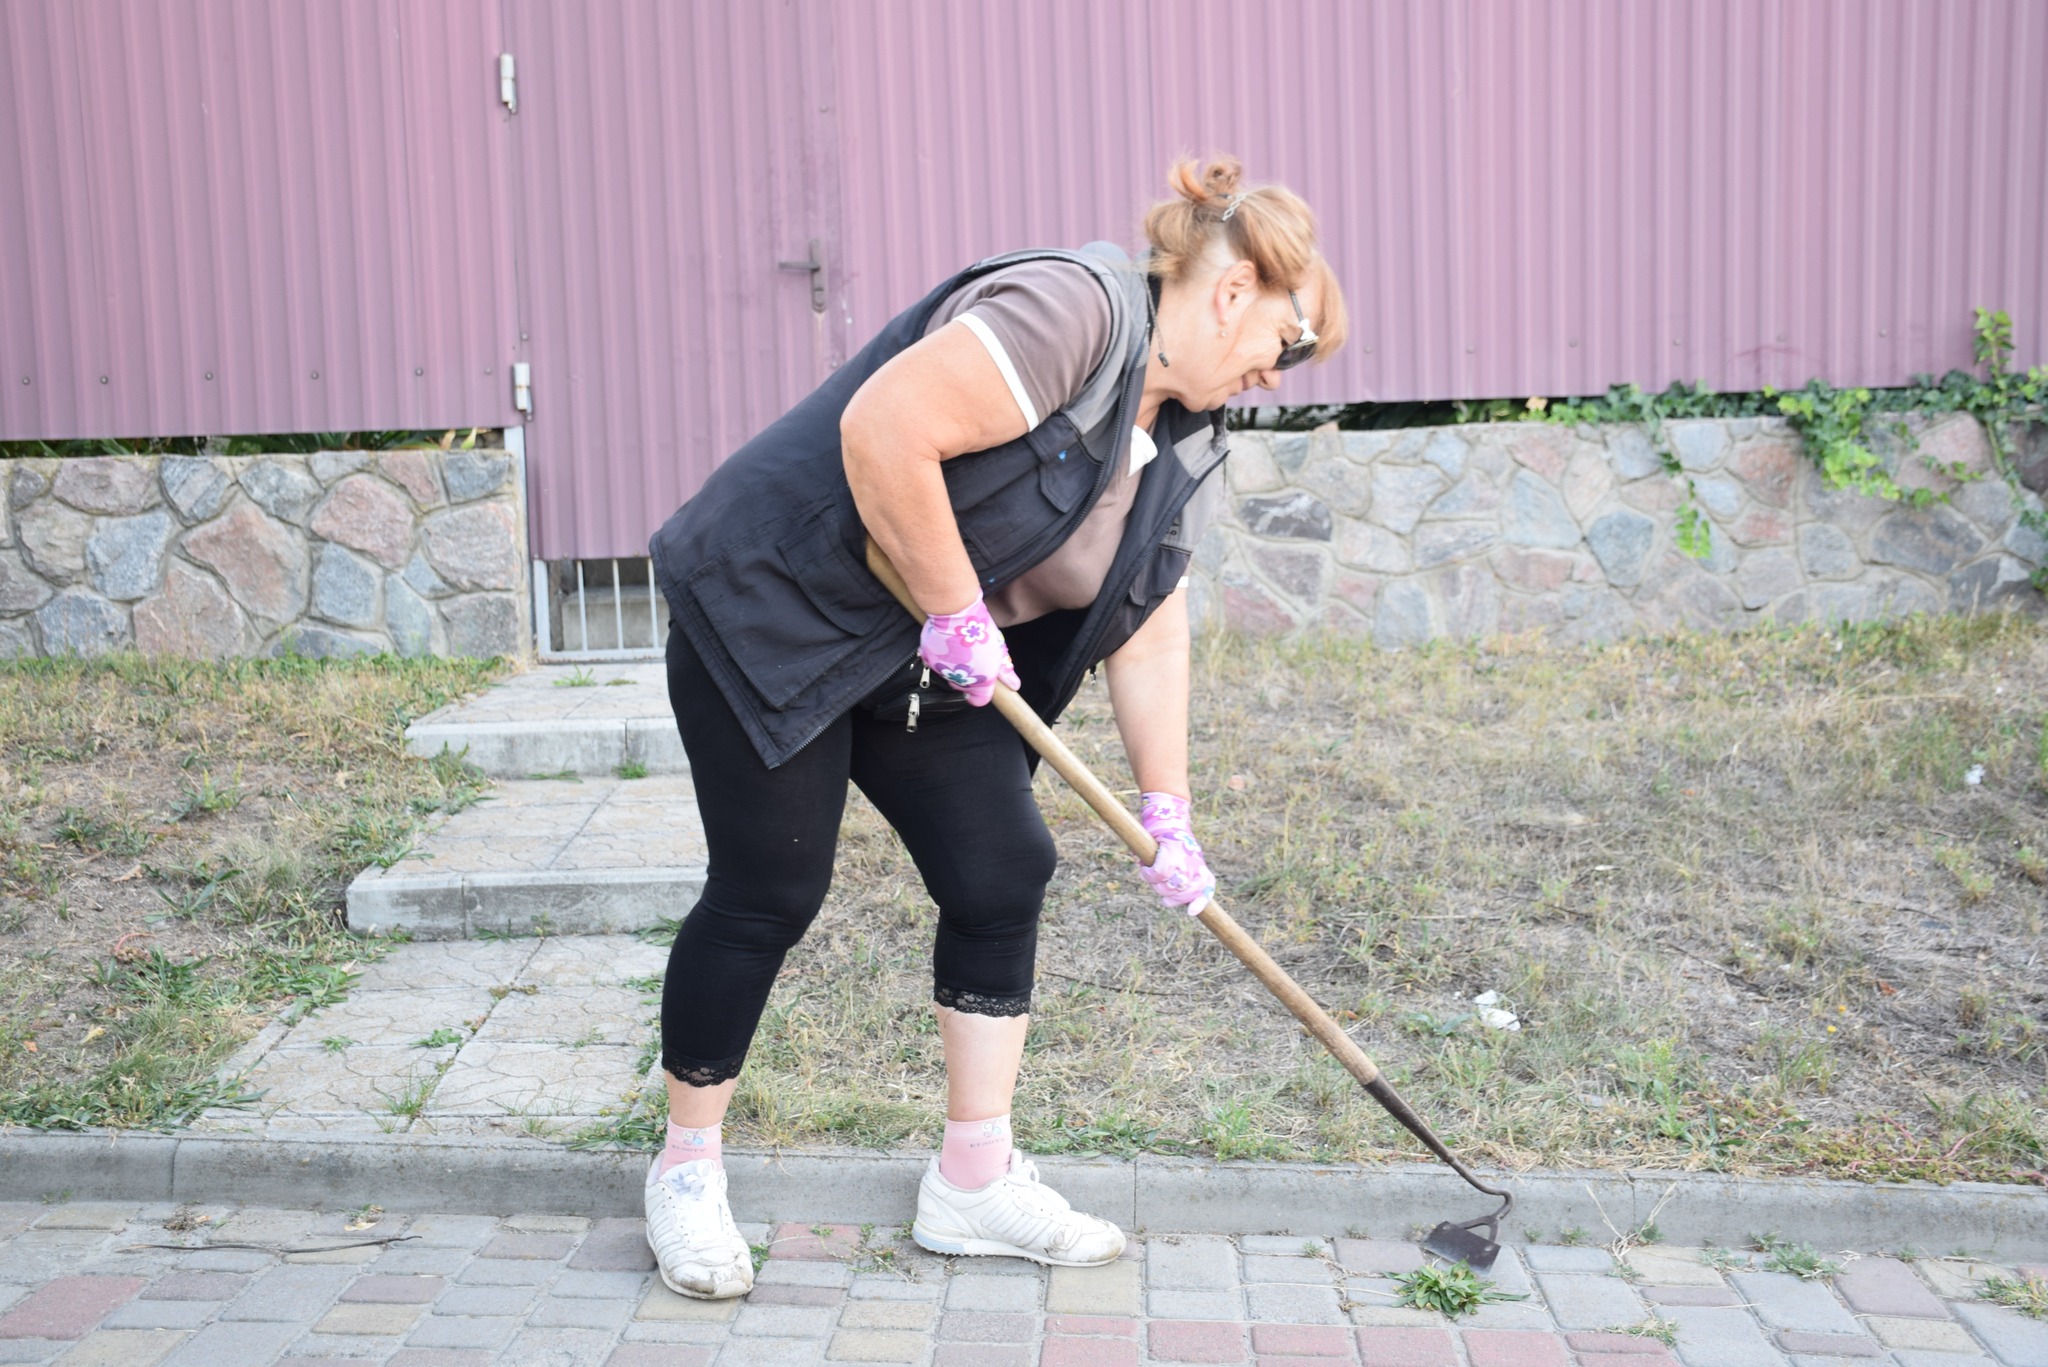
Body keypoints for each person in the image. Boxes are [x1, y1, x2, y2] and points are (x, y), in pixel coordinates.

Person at [641, 155, 1347, 1298]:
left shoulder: (1179, 439)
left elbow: (1149, 628)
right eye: (1289, 338)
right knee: (771, 886)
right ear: (1233, 292)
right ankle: (685, 1167)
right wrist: (957, 607)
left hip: (920, 646)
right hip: (774, 604)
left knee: (1001, 866)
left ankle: (970, 1179)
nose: (1279, 369)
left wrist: (1167, 806)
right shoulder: (1073, 311)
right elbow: (886, 428)